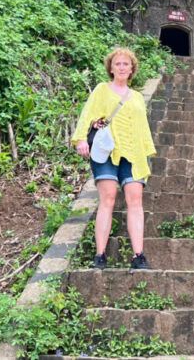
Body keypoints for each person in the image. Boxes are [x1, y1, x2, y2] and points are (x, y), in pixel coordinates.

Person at [72, 47, 156, 270]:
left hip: (133, 153)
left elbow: (142, 126)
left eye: (126, 64)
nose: (121, 67)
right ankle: (100, 255)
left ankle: (138, 255)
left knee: (135, 201)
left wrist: (146, 152)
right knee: (107, 199)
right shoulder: (102, 90)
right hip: (106, 151)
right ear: (111, 68)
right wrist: (81, 139)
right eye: (117, 64)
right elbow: (87, 114)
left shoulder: (137, 96)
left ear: (132, 69)